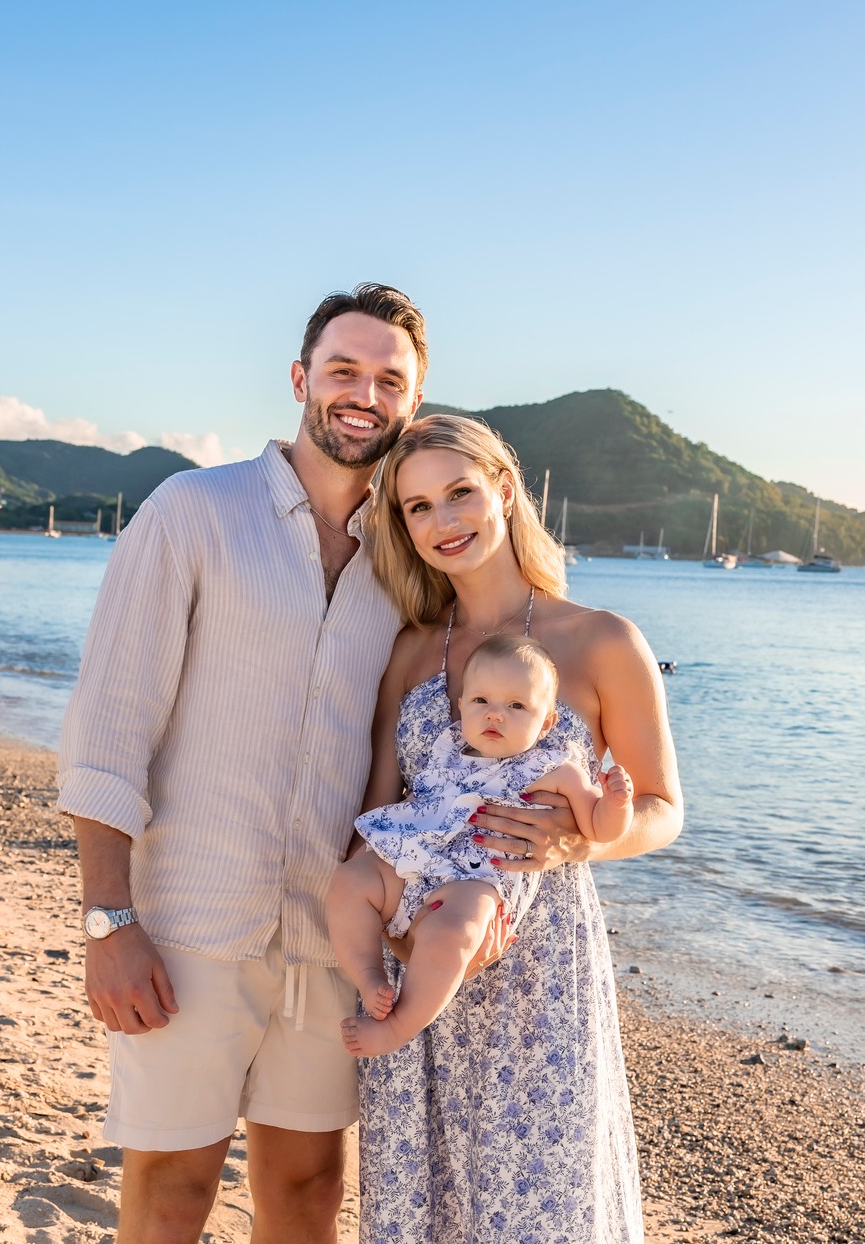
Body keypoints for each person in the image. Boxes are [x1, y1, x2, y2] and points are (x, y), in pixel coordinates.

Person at [56, 284, 438, 1244]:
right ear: (302, 378)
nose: (363, 392)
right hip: (189, 920)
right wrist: (110, 921)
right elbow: (109, 726)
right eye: (344, 369)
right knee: (174, 1186)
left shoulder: (408, 559)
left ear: (412, 405)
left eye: (388, 379)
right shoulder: (192, 511)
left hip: (332, 930)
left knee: (310, 1187)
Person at [355, 413, 685, 1243]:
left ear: (503, 486)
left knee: (545, 1208)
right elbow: (376, 819)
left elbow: (662, 808)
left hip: (542, 968)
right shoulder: (410, 653)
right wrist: (390, 934)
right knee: (424, 1205)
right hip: (419, 960)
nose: (443, 522)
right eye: (417, 507)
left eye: (459, 492)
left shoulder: (603, 639)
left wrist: (584, 840)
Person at [328, 633, 633, 1058]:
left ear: (546, 722)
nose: (495, 715)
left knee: (455, 932)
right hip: (413, 858)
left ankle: (396, 1027)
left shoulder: (556, 767)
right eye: (481, 702)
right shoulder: (449, 746)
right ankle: (369, 976)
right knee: (350, 880)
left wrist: (616, 802)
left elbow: (599, 828)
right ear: (461, 706)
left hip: (476, 878)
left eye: (516, 706)